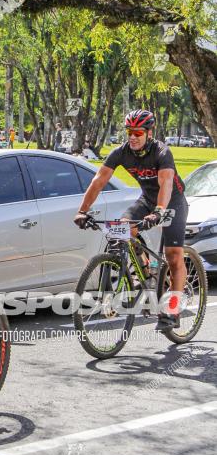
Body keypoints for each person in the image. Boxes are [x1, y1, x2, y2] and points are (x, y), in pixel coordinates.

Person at [74, 109, 188, 332]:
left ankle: (173, 309)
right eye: (129, 132)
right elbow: (99, 180)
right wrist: (82, 211)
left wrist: (159, 211)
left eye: (138, 132)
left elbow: (165, 183)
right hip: (147, 199)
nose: (133, 137)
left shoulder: (162, 152)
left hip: (171, 201)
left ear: (148, 132)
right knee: (121, 229)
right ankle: (143, 278)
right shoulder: (121, 152)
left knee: (174, 257)